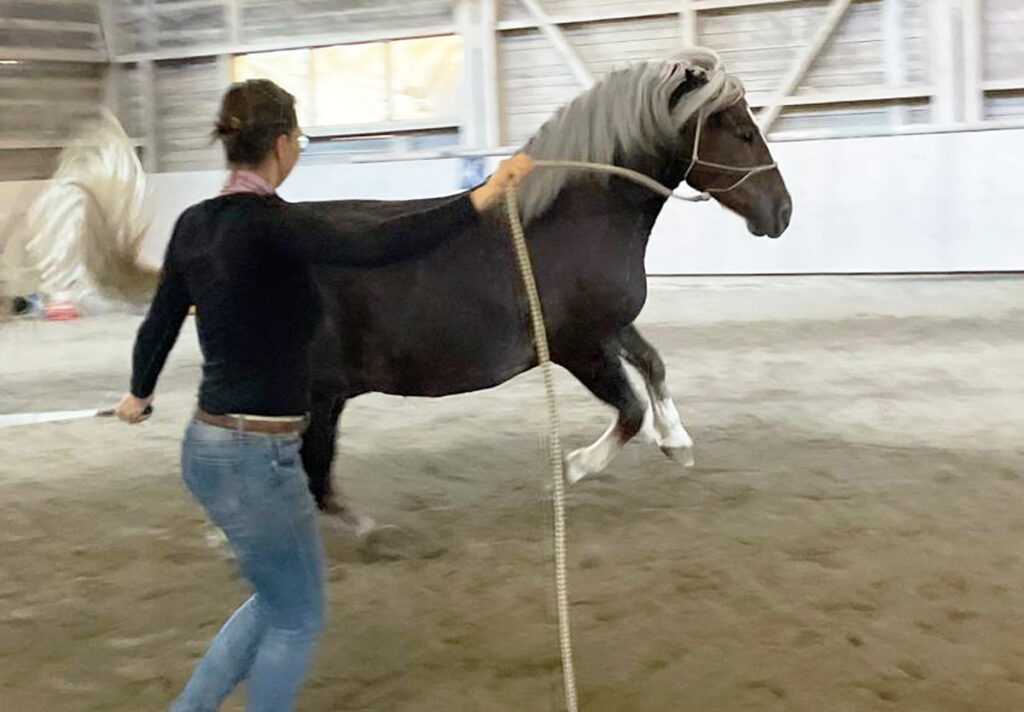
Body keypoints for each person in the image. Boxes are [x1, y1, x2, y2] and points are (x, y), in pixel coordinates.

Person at [115, 78, 534, 712]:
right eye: (300, 139)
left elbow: (161, 321)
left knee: (274, 600)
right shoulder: (277, 227)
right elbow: (377, 244)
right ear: (282, 144)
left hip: (205, 449)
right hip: (256, 455)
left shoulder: (194, 225)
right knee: (298, 616)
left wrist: (138, 395)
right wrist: (480, 199)